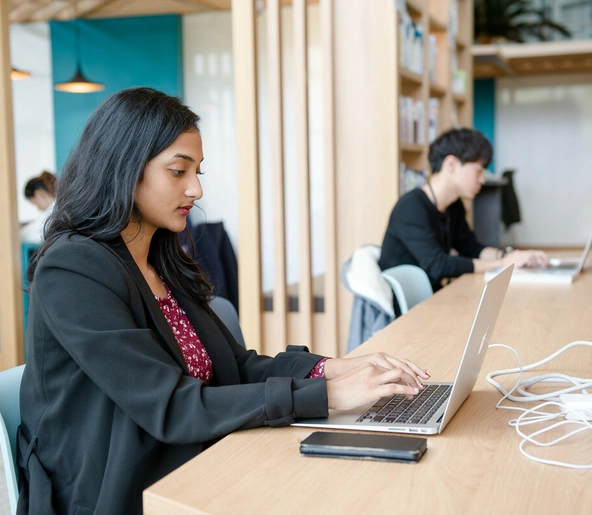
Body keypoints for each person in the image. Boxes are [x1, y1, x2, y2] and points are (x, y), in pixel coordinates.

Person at [17, 87, 430, 515]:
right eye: (178, 171)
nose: (195, 189)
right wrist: (326, 395)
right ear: (123, 168)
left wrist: (335, 369)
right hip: (118, 487)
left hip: (190, 459)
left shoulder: (159, 258)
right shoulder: (73, 269)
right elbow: (172, 406)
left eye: (198, 171)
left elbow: (235, 367)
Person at [378, 128, 549, 292]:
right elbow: (438, 265)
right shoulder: (410, 208)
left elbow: (472, 248)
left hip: (433, 296)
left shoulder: (454, 206)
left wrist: (510, 256)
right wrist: (503, 263)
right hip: (406, 309)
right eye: (478, 171)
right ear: (451, 164)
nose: (482, 180)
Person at [20, 170, 57, 244]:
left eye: (35, 204)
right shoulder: (57, 208)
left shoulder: (55, 211)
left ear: (39, 194)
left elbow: (32, 235)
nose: (38, 208)